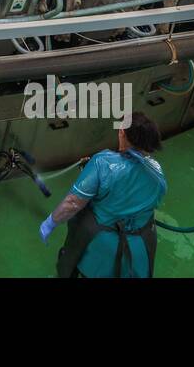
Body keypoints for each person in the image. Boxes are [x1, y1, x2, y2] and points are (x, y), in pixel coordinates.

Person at [39, 113, 167, 278]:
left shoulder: (102, 163)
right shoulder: (157, 171)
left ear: (122, 133)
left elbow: (72, 203)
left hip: (101, 248)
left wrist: (51, 222)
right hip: (139, 248)